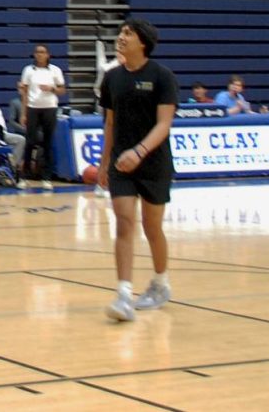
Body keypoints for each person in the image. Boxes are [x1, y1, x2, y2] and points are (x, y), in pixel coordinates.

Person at [99, 18, 179, 323]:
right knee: (123, 222)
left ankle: (160, 283)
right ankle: (123, 294)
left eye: (127, 33)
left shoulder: (162, 77)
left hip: (154, 163)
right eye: (121, 32)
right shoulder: (112, 79)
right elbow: (109, 123)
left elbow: (164, 124)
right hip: (121, 163)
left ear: (142, 42)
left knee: (152, 226)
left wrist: (140, 152)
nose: (121, 37)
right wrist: (105, 163)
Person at [18, 43, 65, 190]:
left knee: (48, 143)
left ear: (48, 55)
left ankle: (46, 177)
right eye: (37, 52)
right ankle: (24, 176)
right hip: (33, 109)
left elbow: (62, 90)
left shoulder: (55, 70)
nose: (39, 54)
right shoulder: (28, 70)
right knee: (30, 142)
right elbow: (24, 93)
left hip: (50, 109)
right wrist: (24, 113)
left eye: (42, 52)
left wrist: (51, 88)